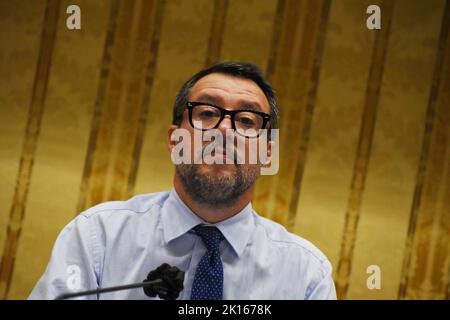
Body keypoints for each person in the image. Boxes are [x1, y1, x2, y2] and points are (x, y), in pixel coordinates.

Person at [29, 61, 337, 300]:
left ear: (268, 154)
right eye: (205, 113)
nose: (224, 131)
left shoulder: (306, 274)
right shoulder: (97, 238)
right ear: (175, 140)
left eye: (246, 120)